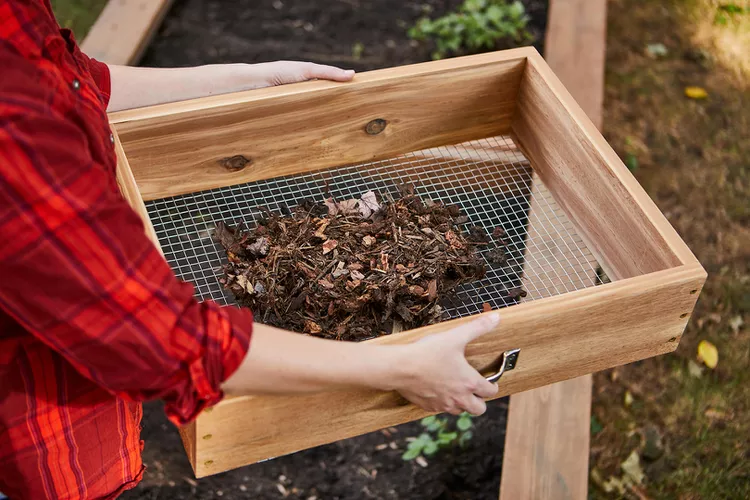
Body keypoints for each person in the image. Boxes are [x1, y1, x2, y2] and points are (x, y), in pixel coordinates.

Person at [0, 1, 502, 498]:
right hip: (25, 440)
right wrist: (400, 367)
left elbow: (72, 81)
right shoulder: (11, 131)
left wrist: (244, 79)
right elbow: (157, 338)